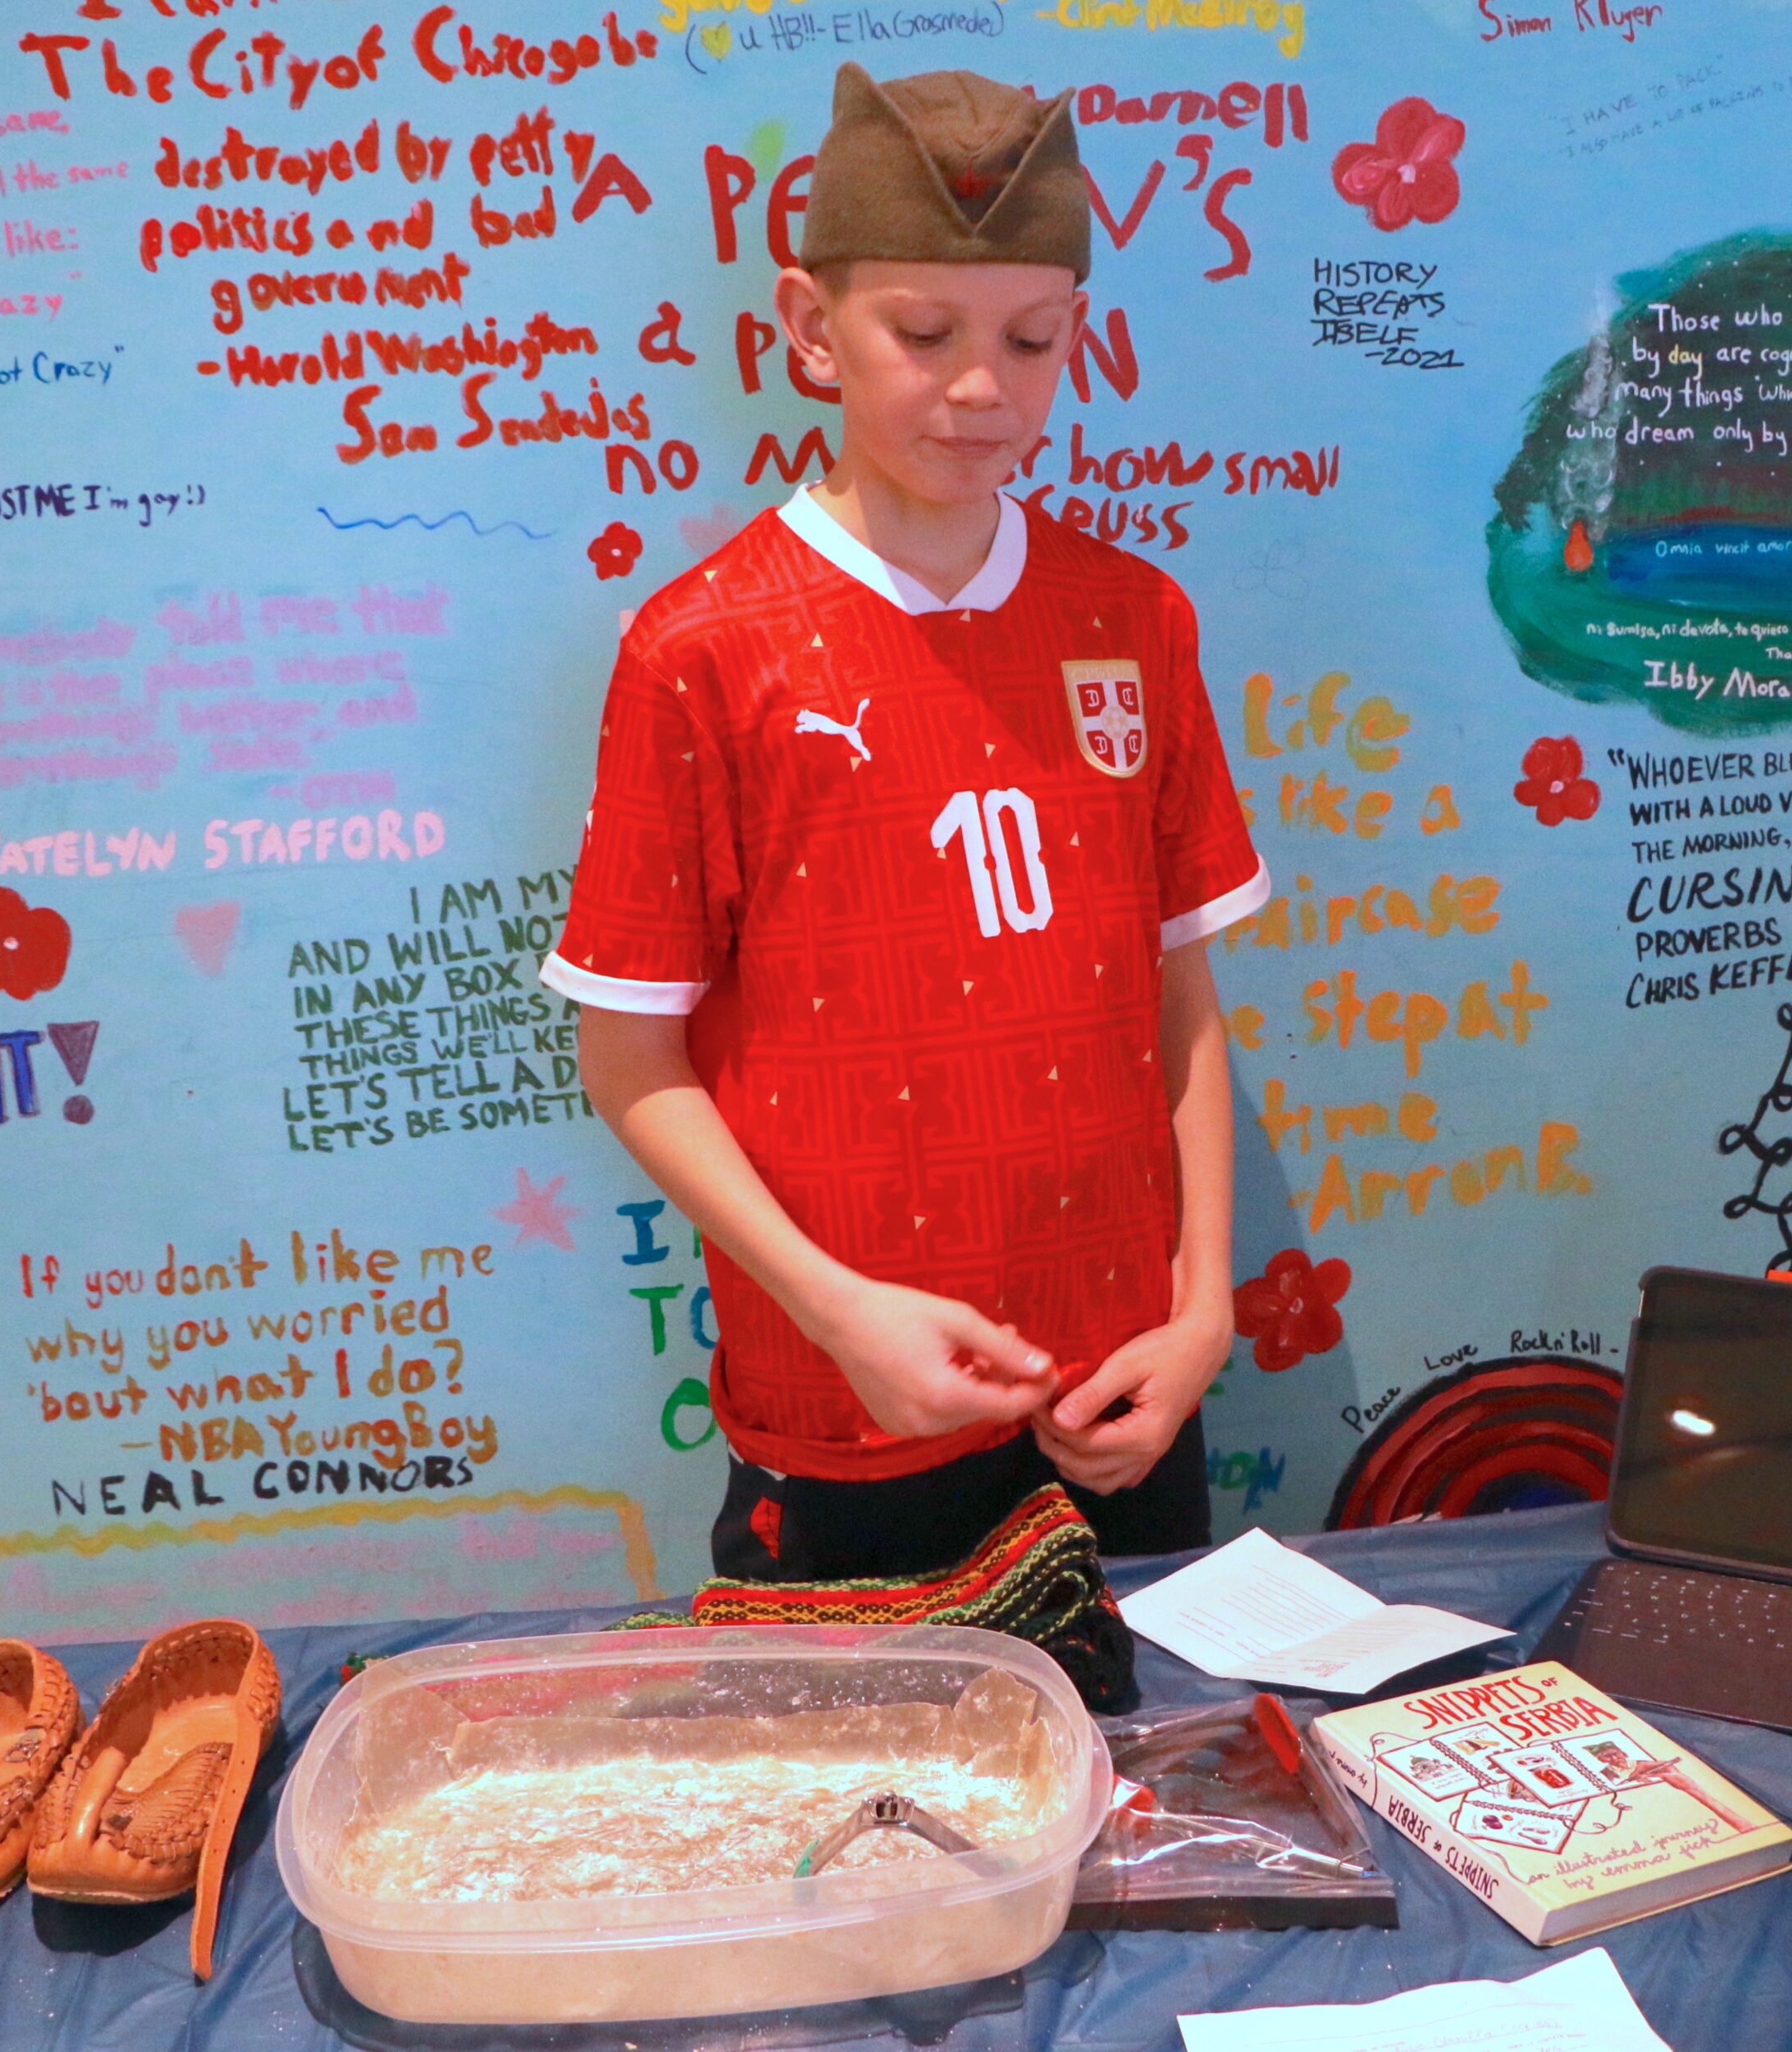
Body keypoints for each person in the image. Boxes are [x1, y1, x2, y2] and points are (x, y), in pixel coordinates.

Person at [542, 63, 1269, 1582]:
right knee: (853, 1802)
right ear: (813, 330)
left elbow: (1178, 993)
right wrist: (835, 1307)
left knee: (1149, 1782)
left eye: (1030, 339)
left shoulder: (1132, 618)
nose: (981, 388)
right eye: (922, 334)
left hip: (1121, 1389)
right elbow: (630, 1055)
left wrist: (1202, 1310)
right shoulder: (703, 651)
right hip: (844, 1408)